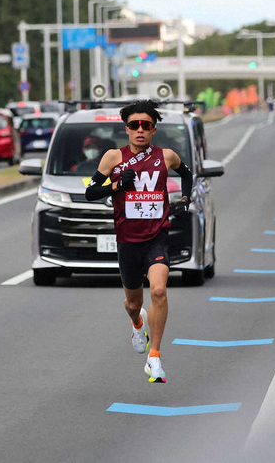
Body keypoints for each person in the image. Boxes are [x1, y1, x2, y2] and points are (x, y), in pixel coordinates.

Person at [85, 99, 193, 383]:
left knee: (159, 291)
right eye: (135, 126)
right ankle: (137, 322)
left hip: (157, 237)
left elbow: (187, 174)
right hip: (127, 241)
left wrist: (185, 199)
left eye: (146, 125)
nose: (140, 130)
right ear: (127, 130)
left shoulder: (166, 156)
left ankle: (154, 358)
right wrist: (118, 184)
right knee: (134, 303)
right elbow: (90, 192)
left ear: (154, 130)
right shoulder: (113, 158)